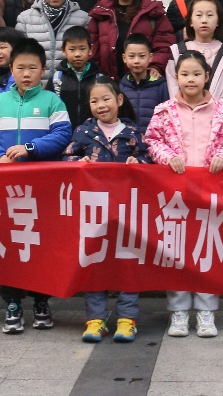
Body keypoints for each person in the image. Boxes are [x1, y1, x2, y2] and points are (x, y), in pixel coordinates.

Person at [146, 51, 223, 339]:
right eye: (185, 74)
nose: (191, 79)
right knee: (176, 251)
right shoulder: (164, 111)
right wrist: (167, 157)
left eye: (197, 74)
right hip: (174, 193)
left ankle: (206, 311)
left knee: (206, 251)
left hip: (210, 192)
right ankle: (178, 312)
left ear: (207, 77)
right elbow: (152, 140)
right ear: (176, 77)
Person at [0, 38, 72, 333]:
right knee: (10, 245)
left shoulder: (52, 101)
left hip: (42, 188)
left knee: (42, 245)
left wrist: (30, 148)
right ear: (11, 69)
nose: (26, 74)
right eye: (20, 68)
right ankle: (12, 304)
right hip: (7, 188)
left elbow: (63, 134)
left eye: (33, 68)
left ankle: (41, 302)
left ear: (43, 70)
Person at [65, 77, 148, 344]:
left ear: (119, 100)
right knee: (95, 262)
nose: (101, 105)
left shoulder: (133, 131)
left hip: (128, 210)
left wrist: (139, 162)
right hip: (94, 211)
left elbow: (148, 157)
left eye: (106, 99)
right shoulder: (84, 131)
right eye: (94, 100)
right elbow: (67, 157)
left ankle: (127, 318)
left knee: (128, 262)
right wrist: (80, 162)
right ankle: (96, 319)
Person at [88, 0, 175, 78]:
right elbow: (91, 49)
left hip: (143, 81)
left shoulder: (153, 12)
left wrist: (155, 67)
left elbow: (164, 45)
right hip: (107, 83)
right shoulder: (100, 13)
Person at [165, 0, 223, 114]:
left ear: (218, 21)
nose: (204, 20)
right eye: (199, 15)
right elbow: (173, 91)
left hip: (219, 120)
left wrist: (215, 118)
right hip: (182, 118)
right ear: (190, 21)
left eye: (210, 15)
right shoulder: (177, 52)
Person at [15, 0, 91, 77]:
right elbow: (18, 57)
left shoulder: (83, 19)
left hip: (71, 84)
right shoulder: (25, 19)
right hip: (36, 85)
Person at [50, 27, 98, 128]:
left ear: (90, 49)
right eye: (72, 49)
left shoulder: (99, 80)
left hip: (92, 133)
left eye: (82, 49)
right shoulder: (56, 79)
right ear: (63, 50)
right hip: (63, 133)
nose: (77, 54)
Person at [122, 33, 171, 130]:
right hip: (129, 137)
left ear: (150, 57)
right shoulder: (122, 87)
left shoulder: (160, 85)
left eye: (142, 56)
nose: (137, 61)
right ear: (124, 58)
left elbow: (166, 115)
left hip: (155, 137)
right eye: (131, 56)